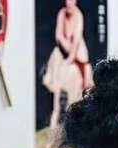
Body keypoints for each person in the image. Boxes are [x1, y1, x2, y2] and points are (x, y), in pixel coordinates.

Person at [43, 0, 94, 129]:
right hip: (62, 53)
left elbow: (76, 40)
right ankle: (54, 126)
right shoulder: (62, 13)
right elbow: (58, 35)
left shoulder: (79, 15)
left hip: (77, 55)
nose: (69, 3)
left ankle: (75, 126)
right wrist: (66, 53)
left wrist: (71, 57)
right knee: (57, 87)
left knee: (78, 92)